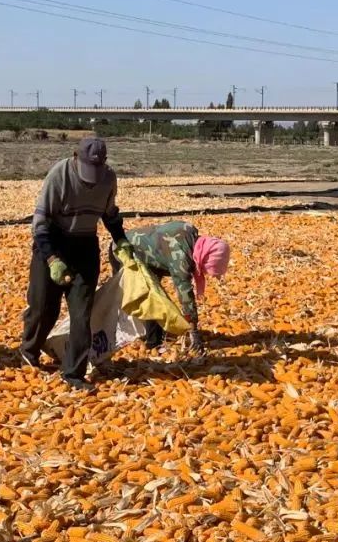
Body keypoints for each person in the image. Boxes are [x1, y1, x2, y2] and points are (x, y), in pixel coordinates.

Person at [20, 137, 129, 387]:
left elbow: (110, 213)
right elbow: (40, 223)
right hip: (53, 241)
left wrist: (121, 240)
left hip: (84, 246)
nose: (91, 177)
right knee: (43, 307)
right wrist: (52, 259)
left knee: (82, 314)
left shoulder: (108, 179)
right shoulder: (59, 175)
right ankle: (29, 350)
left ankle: (73, 373)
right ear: (75, 156)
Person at [110, 220, 231, 353]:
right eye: (208, 268)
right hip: (124, 251)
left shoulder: (190, 234)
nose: (206, 273)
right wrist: (193, 330)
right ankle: (120, 337)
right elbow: (185, 295)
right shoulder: (181, 256)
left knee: (155, 296)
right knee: (143, 297)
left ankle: (155, 340)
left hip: (147, 257)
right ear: (206, 258)